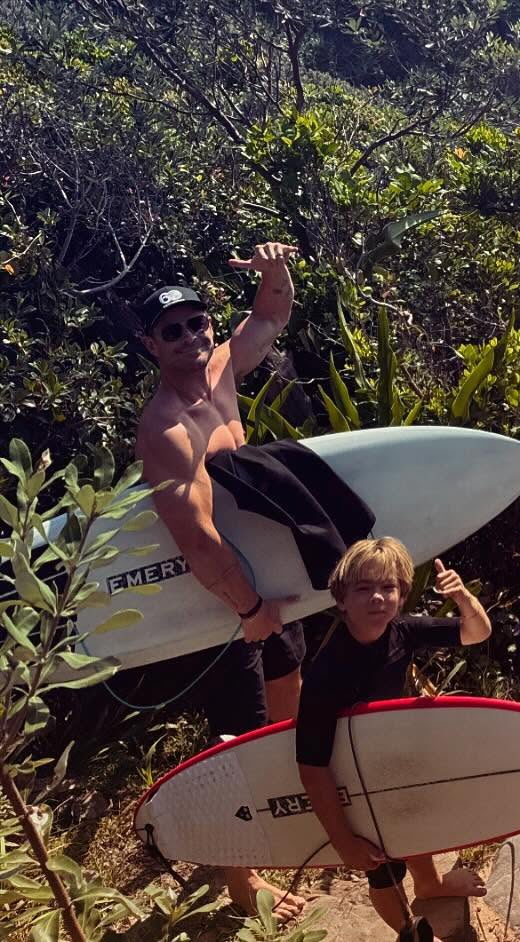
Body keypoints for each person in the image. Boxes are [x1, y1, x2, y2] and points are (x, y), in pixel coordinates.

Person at [134, 243, 309, 918]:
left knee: (286, 702)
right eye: (172, 330)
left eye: (197, 322)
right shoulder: (164, 429)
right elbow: (196, 540)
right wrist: (249, 610)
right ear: (151, 344)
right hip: (219, 602)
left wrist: (272, 271)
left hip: (257, 586)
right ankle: (243, 884)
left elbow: (269, 318)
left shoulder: (218, 369)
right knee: (241, 739)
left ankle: (276, 811)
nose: (190, 336)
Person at [295, 538, 490, 932]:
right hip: (357, 777)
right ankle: (406, 930)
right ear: (341, 600)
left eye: (388, 588)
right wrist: (344, 842)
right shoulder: (325, 674)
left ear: (401, 595)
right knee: (383, 866)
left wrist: (464, 597)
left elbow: (477, 633)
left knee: (415, 825)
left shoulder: (402, 630)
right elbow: (312, 766)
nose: (378, 598)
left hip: (395, 755)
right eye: (364, 588)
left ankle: (430, 884)